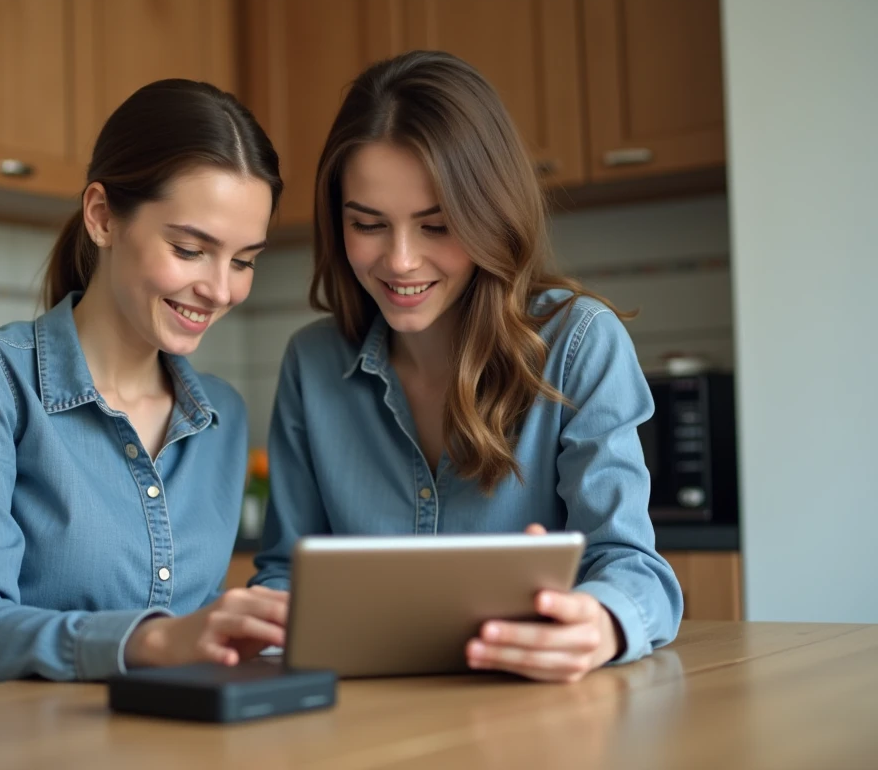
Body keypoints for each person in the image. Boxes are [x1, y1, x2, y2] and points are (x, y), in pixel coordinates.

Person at [251, 51, 682, 683]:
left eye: (437, 225)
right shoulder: (311, 364)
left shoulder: (578, 342)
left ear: (490, 212)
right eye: (368, 224)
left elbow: (633, 569)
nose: (400, 261)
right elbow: (287, 572)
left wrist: (600, 622)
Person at [0, 79, 288, 698]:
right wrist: (147, 641)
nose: (220, 289)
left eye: (243, 261)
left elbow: (198, 628)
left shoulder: (220, 416)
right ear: (102, 217)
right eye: (190, 249)